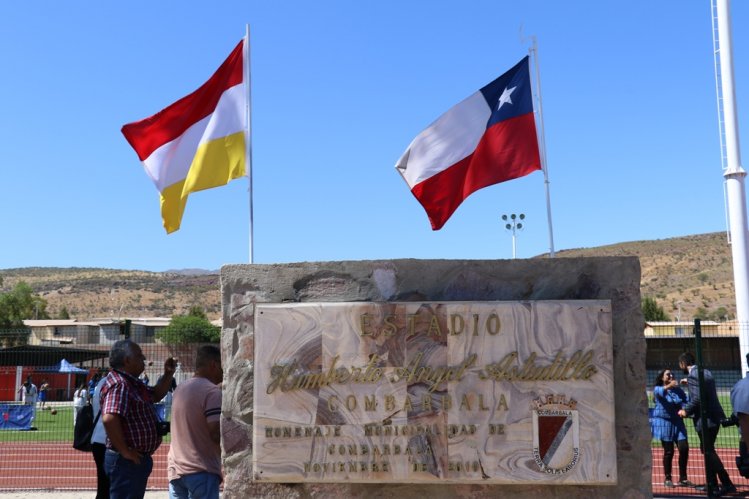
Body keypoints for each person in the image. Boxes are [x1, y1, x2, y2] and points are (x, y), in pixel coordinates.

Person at [101, 339, 176, 499]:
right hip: (125, 463)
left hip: (133, 461)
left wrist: (168, 373)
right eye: (139, 355)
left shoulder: (132, 382)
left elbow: (155, 395)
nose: (143, 359)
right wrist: (125, 451)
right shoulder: (120, 384)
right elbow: (109, 418)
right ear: (127, 360)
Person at [677, 352, 736, 496]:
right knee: (707, 450)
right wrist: (688, 381)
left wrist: (685, 410)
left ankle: (726, 483)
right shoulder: (705, 372)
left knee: (708, 451)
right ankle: (713, 485)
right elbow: (703, 388)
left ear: (683, 364)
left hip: (705, 419)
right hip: (715, 417)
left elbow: (697, 398)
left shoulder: (693, 375)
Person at [167, 345, 223, 499]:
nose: (224, 372)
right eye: (222, 366)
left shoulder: (180, 389)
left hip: (175, 470)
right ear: (213, 365)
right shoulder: (212, 392)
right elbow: (215, 432)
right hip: (201, 470)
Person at [651, 368, 693, 487]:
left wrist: (684, 409)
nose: (671, 375)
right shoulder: (658, 389)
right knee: (669, 451)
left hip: (678, 422)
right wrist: (669, 385)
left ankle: (683, 479)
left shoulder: (678, 390)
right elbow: (659, 391)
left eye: (672, 374)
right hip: (664, 423)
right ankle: (667, 478)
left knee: (684, 448)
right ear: (661, 378)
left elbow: (686, 402)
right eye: (667, 374)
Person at [91, 372, 110, 499]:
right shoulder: (117, 383)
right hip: (109, 440)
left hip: (97, 437)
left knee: (103, 486)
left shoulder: (102, 382)